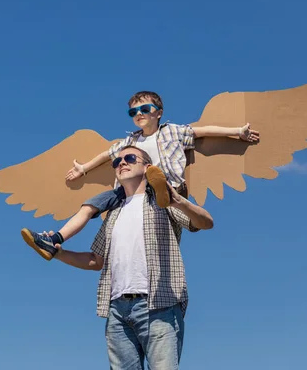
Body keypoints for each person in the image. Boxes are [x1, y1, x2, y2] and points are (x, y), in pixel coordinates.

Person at [22, 90, 257, 260]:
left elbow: (203, 131)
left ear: (159, 113)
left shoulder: (173, 132)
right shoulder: (130, 141)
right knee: (90, 206)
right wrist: (84, 168)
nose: (139, 114)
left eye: (145, 109)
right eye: (134, 111)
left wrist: (238, 132)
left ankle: (161, 191)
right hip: (127, 193)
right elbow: (107, 154)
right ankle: (54, 240)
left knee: (166, 193)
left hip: (168, 187)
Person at [52, 145, 214, 369]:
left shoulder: (162, 201)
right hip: (117, 309)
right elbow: (95, 260)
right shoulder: (113, 214)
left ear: (147, 167)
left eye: (129, 158)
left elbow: (205, 223)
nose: (122, 164)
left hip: (160, 304)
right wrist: (59, 253)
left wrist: (178, 201)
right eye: (116, 162)